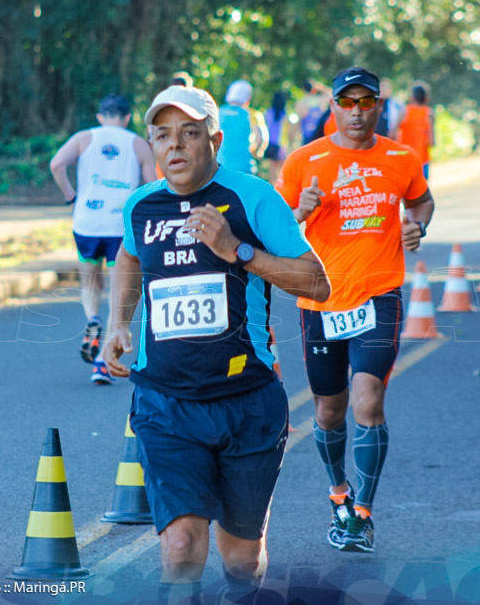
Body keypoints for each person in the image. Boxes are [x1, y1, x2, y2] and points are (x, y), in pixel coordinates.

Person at [104, 85, 330, 603]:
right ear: (152, 145)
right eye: (163, 135)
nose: (175, 146)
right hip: (166, 403)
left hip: (247, 403)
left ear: (215, 139)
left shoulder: (252, 197)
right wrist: (119, 321)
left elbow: (317, 283)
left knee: (241, 559)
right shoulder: (142, 206)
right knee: (181, 548)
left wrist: (236, 249)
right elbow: (129, 256)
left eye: (189, 133)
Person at [275, 66, 435, 553]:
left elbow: (423, 202)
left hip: (379, 294)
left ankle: (360, 515)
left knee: (368, 401)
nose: (358, 111)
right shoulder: (306, 160)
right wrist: (300, 212)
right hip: (321, 299)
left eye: (367, 102)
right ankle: (338, 493)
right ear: (335, 108)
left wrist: (417, 227)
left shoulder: (401, 158)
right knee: (328, 411)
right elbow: (276, 231)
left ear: (380, 107)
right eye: (348, 102)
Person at [49, 94, 157, 384]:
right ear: (126, 117)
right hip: (120, 223)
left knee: (90, 281)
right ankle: (101, 362)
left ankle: (91, 318)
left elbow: (56, 164)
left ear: (100, 116)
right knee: (116, 290)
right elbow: (151, 185)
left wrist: (70, 196)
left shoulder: (84, 138)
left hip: (87, 221)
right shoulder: (138, 144)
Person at [217, 79, 268, 174]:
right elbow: (261, 139)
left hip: (220, 165)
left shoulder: (218, 112)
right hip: (244, 167)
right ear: (248, 98)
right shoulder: (252, 115)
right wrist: (256, 153)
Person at [397, 81, 435, 179]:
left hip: (405, 158)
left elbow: (393, 133)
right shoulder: (428, 113)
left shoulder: (404, 111)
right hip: (421, 159)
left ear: (412, 97)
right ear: (426, 98)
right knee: (421, 191)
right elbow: (432, 142)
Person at [263, 91, 297, 184]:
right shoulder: (286, 115)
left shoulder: (268, 113)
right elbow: (290, 133)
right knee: (280, 174)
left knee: (271, 174)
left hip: (270, 144)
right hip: (282, 145)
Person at [295, 80, 330, 145]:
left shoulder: (300, 103)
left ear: (303, 89)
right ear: (314, 89)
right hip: (320, 135)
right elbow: (331, 94)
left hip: (306, 137)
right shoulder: (320, 100)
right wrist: (320, 87)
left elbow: (298, 123)